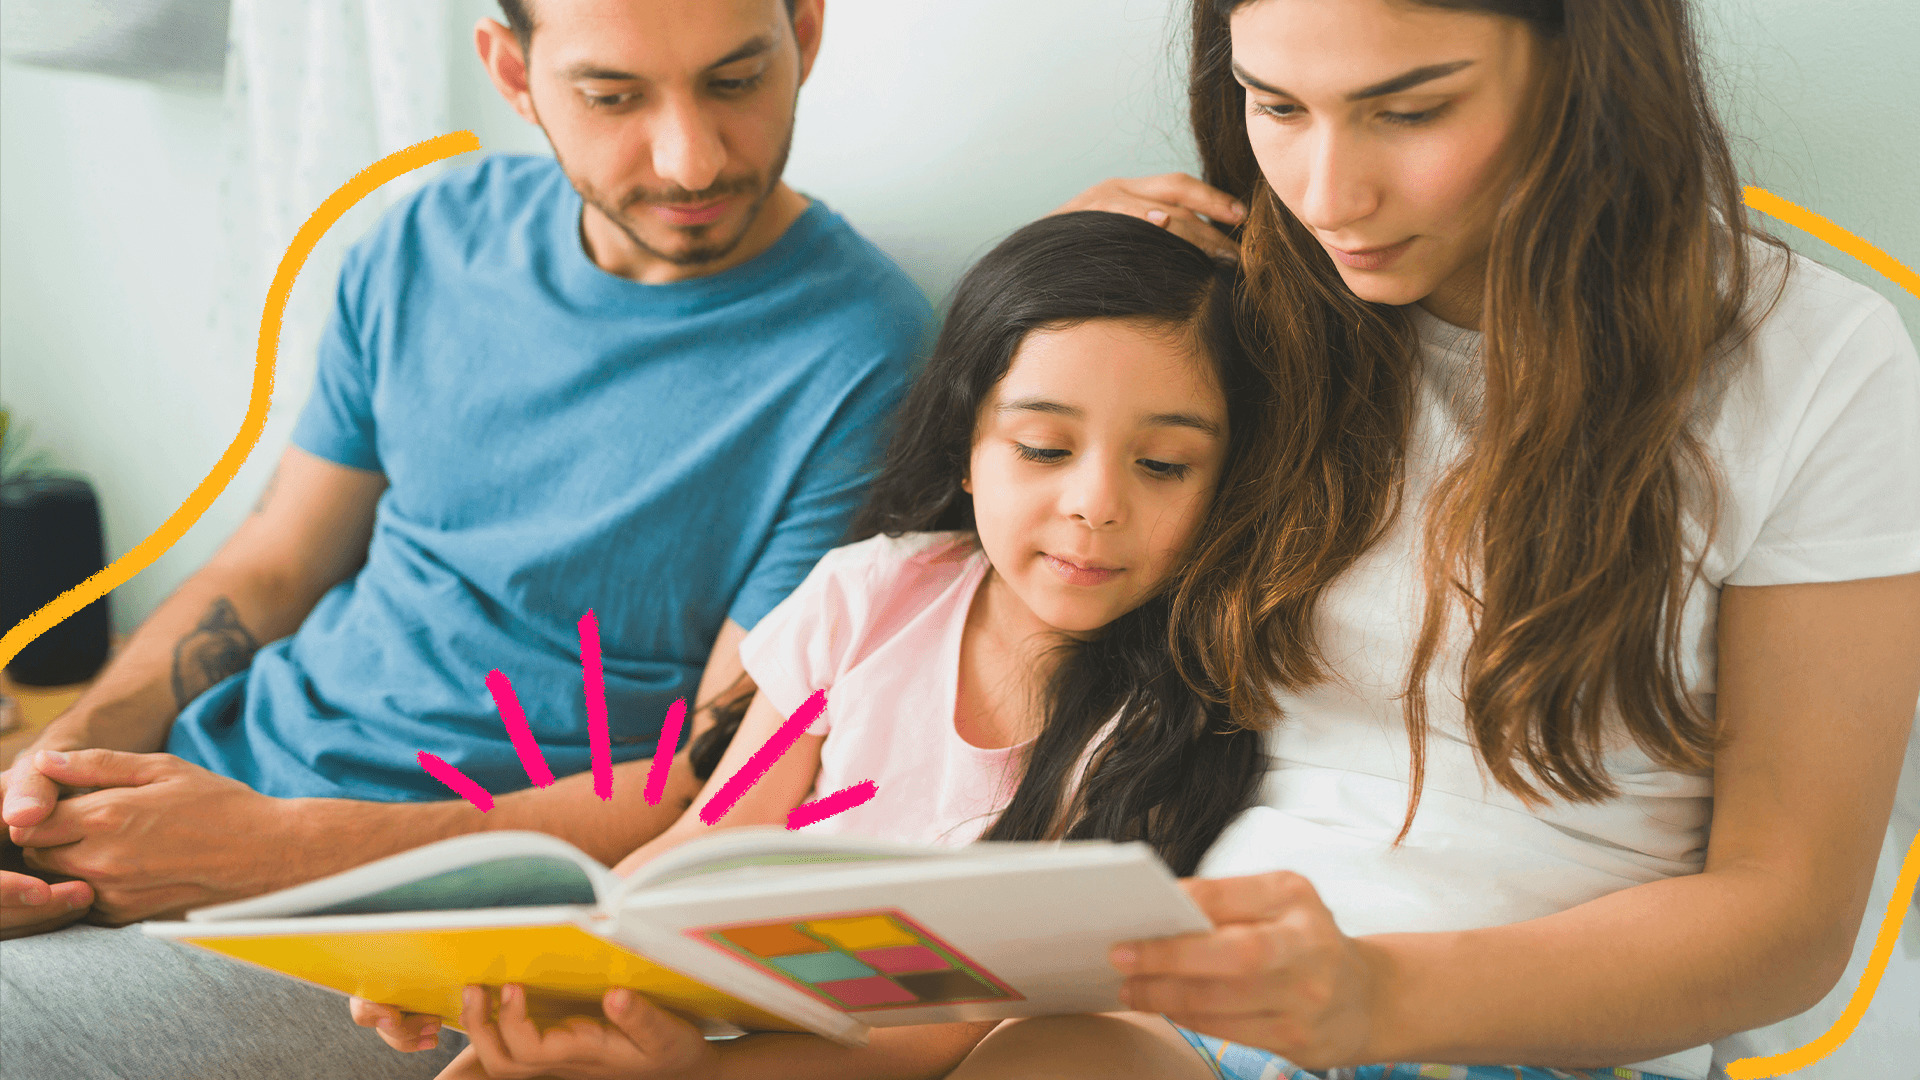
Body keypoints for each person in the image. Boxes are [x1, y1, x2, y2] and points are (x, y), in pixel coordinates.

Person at [944, 1, 1920, 1079]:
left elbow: (1788, 919)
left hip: (1538, 1034)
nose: (1326, 195)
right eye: (1275, 105)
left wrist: (1374, 998)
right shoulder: (1242, 304)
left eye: (1409, 111)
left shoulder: (1818, 365)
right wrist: (1050, 303)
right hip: (1192, 1004)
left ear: (1585, 72)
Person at [0, 1, 934, 1076]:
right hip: (195, 792)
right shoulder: (420, 239)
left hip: (418, 935)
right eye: (612, 96)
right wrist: (54, 767)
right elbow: (272, 564)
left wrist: (271, 849)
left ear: (805, 35)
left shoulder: (868, 356)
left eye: (734, 80)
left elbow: (710, 782)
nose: (690, 159)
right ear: (512, 72)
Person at [352, 210, 1293, 1079]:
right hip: (722, 1008)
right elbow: (712, 837)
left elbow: (948, 1027)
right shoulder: (872, 593)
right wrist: (489, 969)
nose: (1096, 502)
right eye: (1043, 448)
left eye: (1164, 465)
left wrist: (693, 1071)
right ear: (968, 447)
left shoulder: (1165, 714)